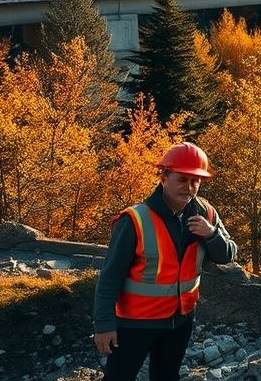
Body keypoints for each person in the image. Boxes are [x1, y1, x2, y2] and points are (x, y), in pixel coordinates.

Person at [92, 141, 238, 380]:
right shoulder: (135, 219)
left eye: (195, 181)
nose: (189, 187)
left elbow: (228, 255)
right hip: (135, 323)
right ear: (164, 177)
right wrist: (104, 325)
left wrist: (212, 234)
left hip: (179, 322)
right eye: (182, 179)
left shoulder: (207, 214)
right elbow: (110, 276)